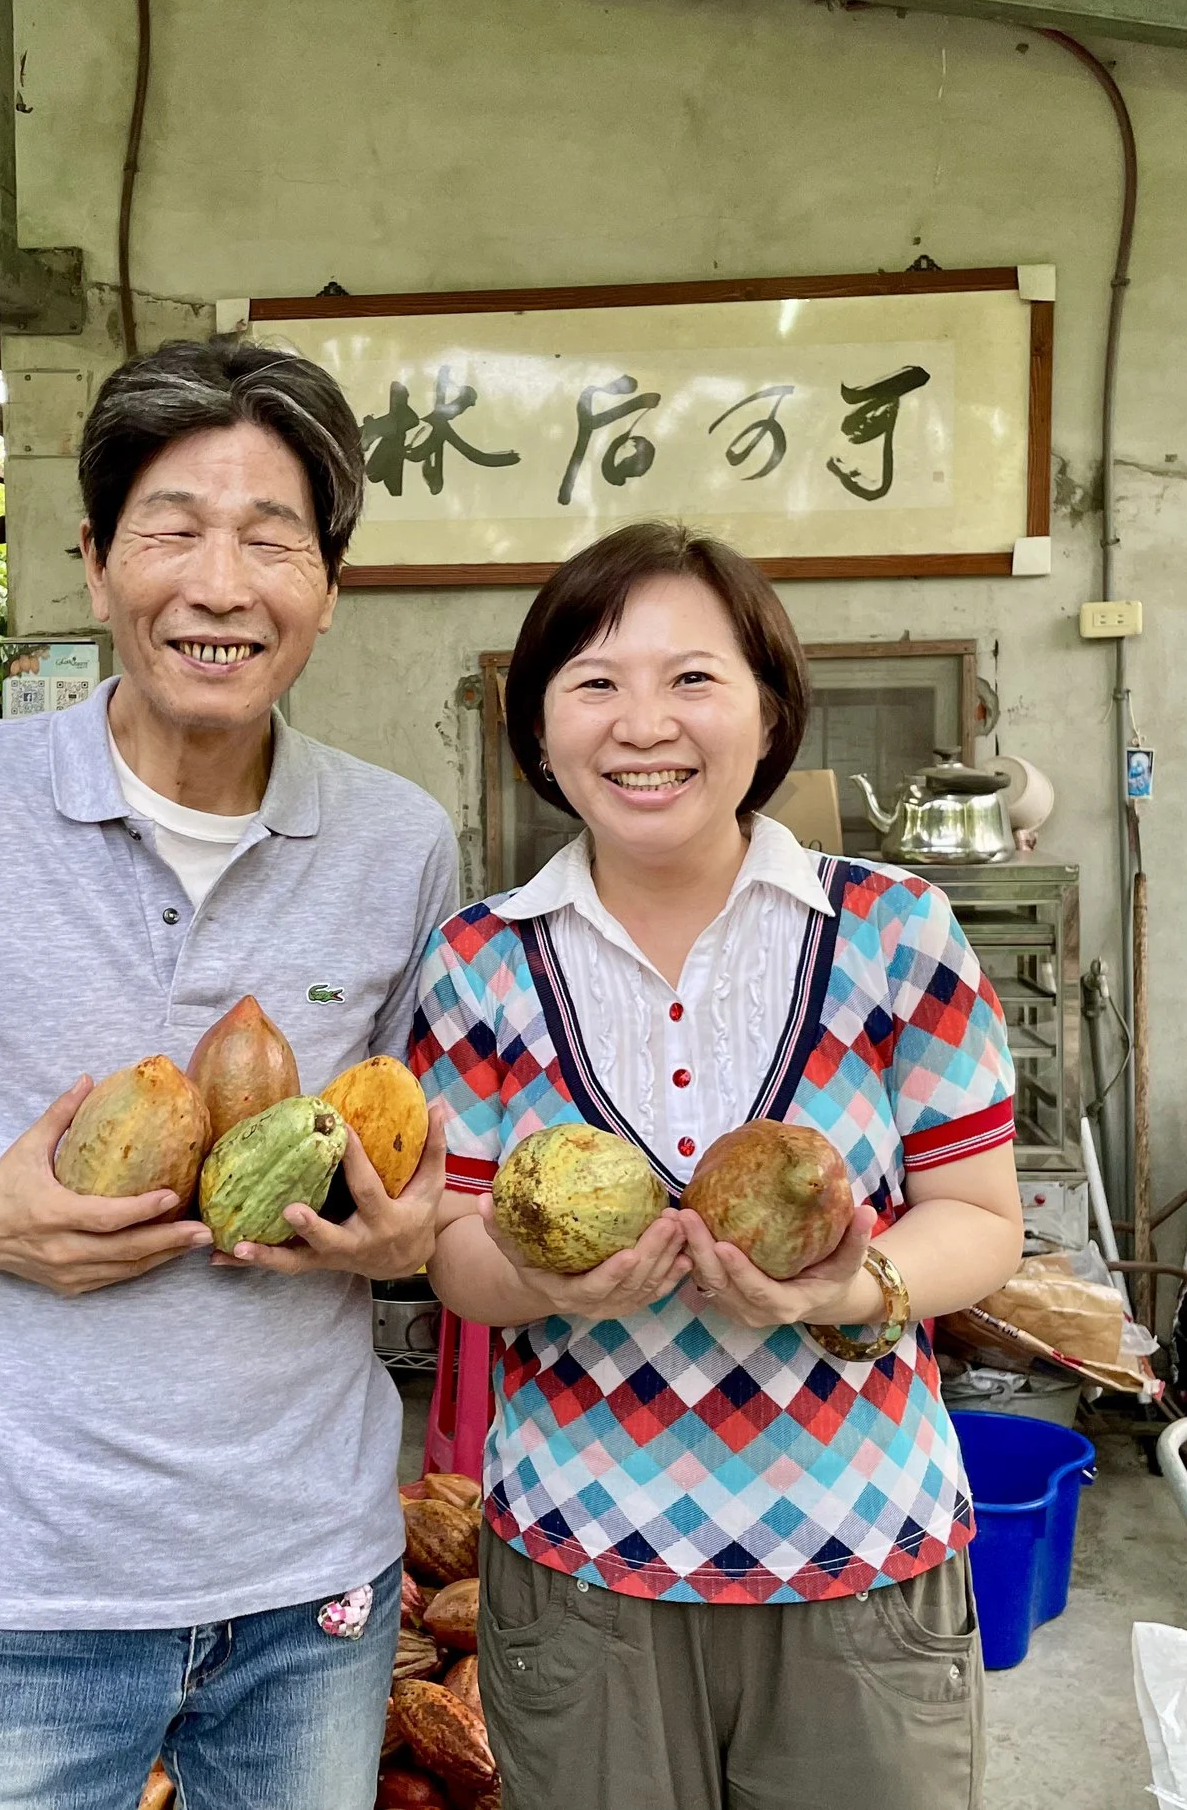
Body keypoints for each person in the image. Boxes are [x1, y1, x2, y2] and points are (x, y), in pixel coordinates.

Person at [0, 339, 460, 1810]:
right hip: (22, 1581)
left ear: (328, 586)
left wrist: (409, 1243)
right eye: (173, 529)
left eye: (273, 539)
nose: (221, 582)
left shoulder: (401, 841)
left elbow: (410, 1147)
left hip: (309, 1580)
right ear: (94, 560)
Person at [414, 522, 1026, 1810]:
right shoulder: (479, 959)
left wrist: (844, 1295)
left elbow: (978, 1219)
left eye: (693, 677)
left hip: (862, 1559)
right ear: (538, 730)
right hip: (584, 1577)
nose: (646, 723)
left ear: (768, 710)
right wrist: (553, 1286)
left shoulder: (894, 931)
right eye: (595, 682)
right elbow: (456, 1254)